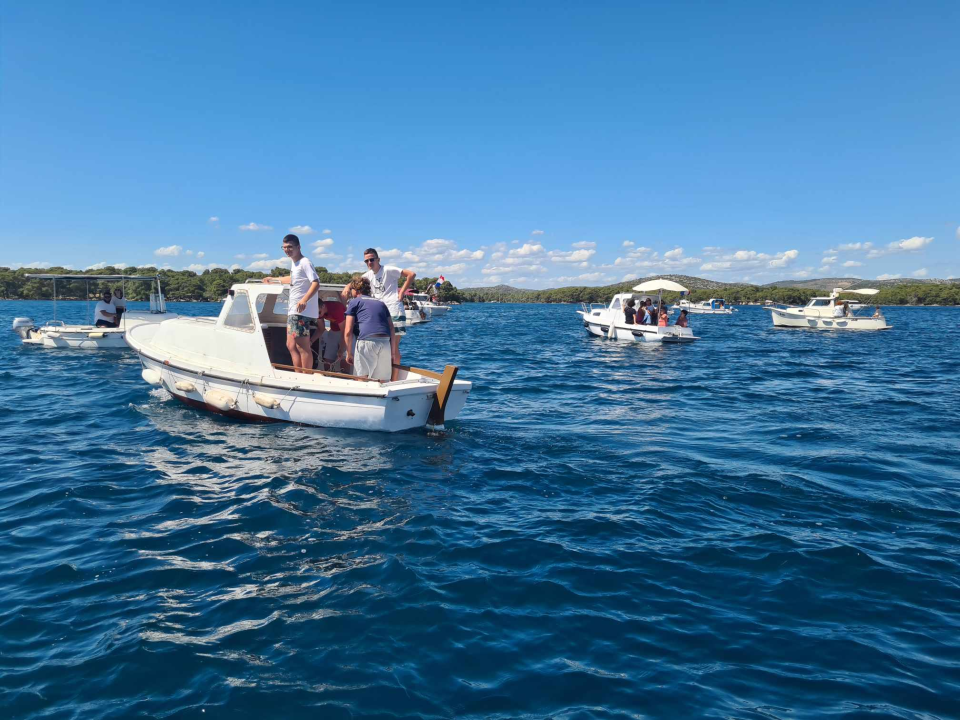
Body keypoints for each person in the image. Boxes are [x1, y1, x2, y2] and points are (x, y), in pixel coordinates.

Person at [344, 248, 415, 381]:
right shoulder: (368, 275)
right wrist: (347, 287)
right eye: (366, 261)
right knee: (384, 347)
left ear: (378, 260)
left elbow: (411, 274)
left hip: (393, 309)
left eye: (372, 259)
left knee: (394, 347)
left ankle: (394, 380)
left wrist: (401, 292)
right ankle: (380, 377)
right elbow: (356, 282)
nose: (369, 263)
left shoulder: (388, 270)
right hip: (382, 312)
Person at [344, 275, 397, 381]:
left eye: (351, 290)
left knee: (361, 378)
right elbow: (391, 328)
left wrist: (349, 353)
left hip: (367, 340)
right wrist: (393, 352)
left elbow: (348, 331)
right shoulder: (381, 303)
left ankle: (360, 397)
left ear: (356, 290)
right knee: (382, 380)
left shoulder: (354, 302)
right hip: (385, 341)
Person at [279, 234, 320, 371]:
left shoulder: (304, 262)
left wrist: (304, 300)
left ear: (298, 247)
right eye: (284, 247)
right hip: (293, 311)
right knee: (290, 345)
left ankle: (305, 377)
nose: (287, 250)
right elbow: (293, 279)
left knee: (302, 347)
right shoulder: (294, 263)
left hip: (300, 312)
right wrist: (273, 279)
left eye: (290, 247)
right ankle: (298, 373)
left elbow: (315, 282)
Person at [311, 298, 348, 371]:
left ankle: (345, 378)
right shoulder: (320, 311)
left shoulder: (336, 309)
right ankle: (328, 376)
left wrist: (341, 349)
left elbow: (344, 331)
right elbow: (321, 329)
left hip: (346, 332)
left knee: (344, 361)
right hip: (333, 331)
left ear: (323, 306)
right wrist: (311, 341)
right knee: (327, 362)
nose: (318, 315)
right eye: (315, 314)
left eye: (319, 313)